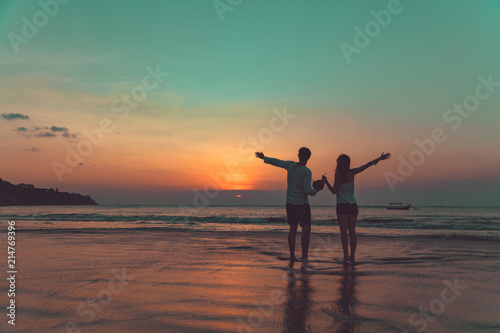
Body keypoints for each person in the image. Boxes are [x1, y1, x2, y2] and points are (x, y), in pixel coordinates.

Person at [255, 147, 323, 266]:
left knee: (293, 229)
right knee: (306, 230)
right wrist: (317, 190)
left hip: (290, 203)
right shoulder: (307, 171)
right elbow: (307, 190)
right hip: (302, 205)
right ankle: (304, 257)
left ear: (298, 155)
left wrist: (264, 157)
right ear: (309, 158)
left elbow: (277, 162)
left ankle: (292, 256)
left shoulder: (291, 165)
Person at [322, 152, 390, 264]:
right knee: (352, 231)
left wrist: (325, 182)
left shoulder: (338, 174)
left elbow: (334, 191)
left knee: (344, 232)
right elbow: (367, 165)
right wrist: (379, 158)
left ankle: (346, 256)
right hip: (352, 205)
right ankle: (352, 256)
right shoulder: (352, 172)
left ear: (339, 163)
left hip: (342, 205)